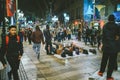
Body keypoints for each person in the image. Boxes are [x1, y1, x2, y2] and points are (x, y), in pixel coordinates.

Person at [98, 14, 119, 80]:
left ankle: (101, 71)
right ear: (114, 19)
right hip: (113, 47)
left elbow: (103, 35)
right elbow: (117, 37)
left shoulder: (105, 26)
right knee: (111, 62)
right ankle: (109, 76)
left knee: (104, 59)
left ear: (108, 19)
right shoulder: (117, 26)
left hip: (106, 46)